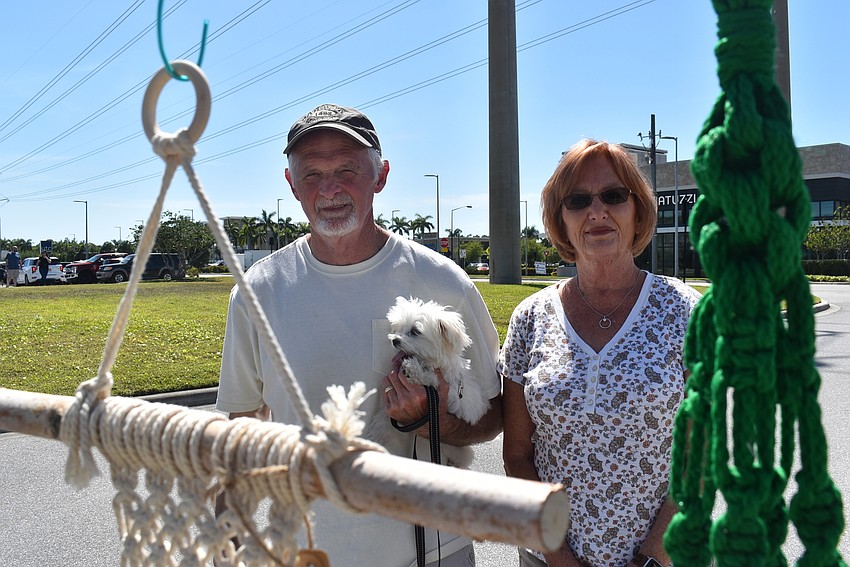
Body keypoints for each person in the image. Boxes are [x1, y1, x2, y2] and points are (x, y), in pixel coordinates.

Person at [216, 103, 503, 567]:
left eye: (347, 169)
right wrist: (227, 533)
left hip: (433, 550)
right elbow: (242, 427)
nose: (329, 189)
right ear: (291, 185)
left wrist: (431, 418)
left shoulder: (444, 284)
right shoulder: (258, 293)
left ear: (381, 175)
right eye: (311, 174)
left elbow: (493, 417)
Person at [499, 139, 701, 567]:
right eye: (577, 200)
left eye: (613, 195)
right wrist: (558, 557)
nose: (597, 212)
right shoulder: (530, 318)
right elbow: (517, 455)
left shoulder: (686, 311)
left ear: (638, 209)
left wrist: (650, 558)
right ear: (561, 219)